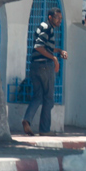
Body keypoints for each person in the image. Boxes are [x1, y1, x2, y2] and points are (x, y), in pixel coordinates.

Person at [21, 8, 68, 136]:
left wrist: (58, 51)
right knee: (48, 98)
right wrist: (54, 59)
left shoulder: (42, 26)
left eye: (61, 18)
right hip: (45, 66)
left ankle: (27, 120)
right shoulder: (48, 28)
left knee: (38, 96)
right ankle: (45, 129)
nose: (59, 20)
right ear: (50, 17)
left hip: (34, 66)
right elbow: (39, 46)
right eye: (57, 17)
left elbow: (45, 46)